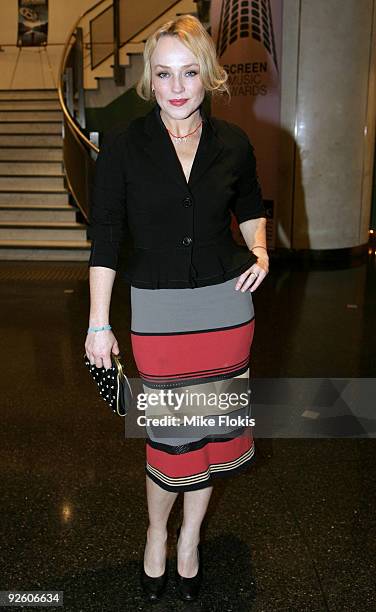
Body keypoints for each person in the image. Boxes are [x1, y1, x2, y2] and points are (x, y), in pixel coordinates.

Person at [85, 14, 269, 603]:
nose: (178, 86)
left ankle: (190, 539)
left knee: (211, 433)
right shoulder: (123, 147)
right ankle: (156, 533)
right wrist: (98, 324)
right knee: (170, 437)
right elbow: (106, 237)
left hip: (227, 307)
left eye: (189, 71)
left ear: (208, 75)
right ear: (150, 80)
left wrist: (260, 249)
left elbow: (249, 202)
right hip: (160, 314)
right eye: (164, 74)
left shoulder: (233, 144)